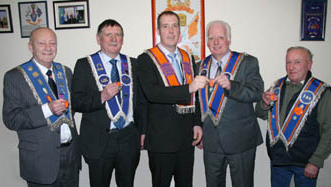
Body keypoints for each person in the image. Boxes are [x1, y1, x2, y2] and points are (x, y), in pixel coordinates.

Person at [2, 27, 80, 187]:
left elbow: (72, 109)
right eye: (42, 43)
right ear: (31, 47)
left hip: (70, 155)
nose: (48, 48)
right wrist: (47, 110)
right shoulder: (15, 76)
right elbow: (11, 119)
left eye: (52, 43)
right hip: (40, 160)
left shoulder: (65, 72)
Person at [137, 11, 207, 187]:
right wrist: (188, 88)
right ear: (158, 30)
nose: (171, 30)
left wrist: (197, 122)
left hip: (186, 138)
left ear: (179, 30)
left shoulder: (188, 58)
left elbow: (195, 96)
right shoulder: (145, 59)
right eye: (165, 26)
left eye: (174, 25)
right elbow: (153, 93)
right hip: (161, 140)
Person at [72, 19, 141, 187]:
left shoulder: (133, 64)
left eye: (118, 35)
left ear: (122, 40)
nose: (113, 39)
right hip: (99, 141)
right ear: (98, 39)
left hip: (128, 138)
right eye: (108, 34)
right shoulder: (84, 64)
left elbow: (142, 102)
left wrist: (142, 131)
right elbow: (76, 102)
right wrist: (101, 96)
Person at [255, 46, 331, 187]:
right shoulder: (277, 85)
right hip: (279, 159)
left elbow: (330, 130)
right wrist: (264, 103)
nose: (291, 67)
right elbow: (260, 113)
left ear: (309, 64)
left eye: (297, 62)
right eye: (288, 62)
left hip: (306, 162)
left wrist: (315, 161)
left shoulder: (321, 91)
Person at [197, 20, 264, 187]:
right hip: (211, 141)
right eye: (211, 38)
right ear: (207, 42)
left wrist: (231, 86)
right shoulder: (199, 66)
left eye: (221, 37)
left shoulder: (247, 62)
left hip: (241, 140)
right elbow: (197, 102)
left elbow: (257, 92)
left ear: (229, 39)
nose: (216, 42)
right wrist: (199, 128)